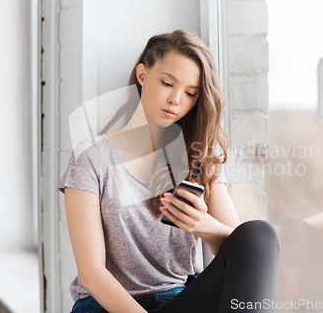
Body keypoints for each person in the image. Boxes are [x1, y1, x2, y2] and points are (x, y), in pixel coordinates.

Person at [59, 30, 280, 313]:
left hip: (180, 300)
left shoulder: (200, 157)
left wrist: (202, 225)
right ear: (142, 74)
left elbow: (240, 248)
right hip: (109, 307)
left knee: (258, 235)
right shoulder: (91, 158)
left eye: (190, 93)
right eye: (167, 83)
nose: (176, 99)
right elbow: (92, 274)